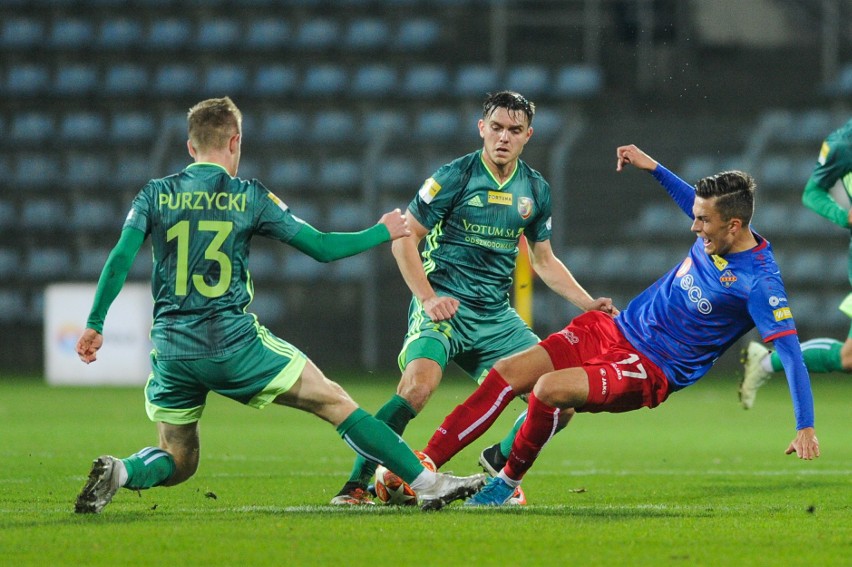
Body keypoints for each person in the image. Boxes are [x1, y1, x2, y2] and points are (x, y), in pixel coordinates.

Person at [73, 96, 485, 514]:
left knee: (179, 459)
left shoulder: (155, 194)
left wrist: (95, 322)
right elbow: (321, 248)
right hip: (232, 343)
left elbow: (120, 258)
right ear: (235, 142)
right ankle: (427, 483)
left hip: (173, 349)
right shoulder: (248, 195)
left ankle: (122, 471)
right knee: (335, 402)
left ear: (190, 147)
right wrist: (380, 232)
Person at [411, 144, 820, 507]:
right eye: (695, 217)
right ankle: (423, 470)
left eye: (703, 221)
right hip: (617, 327)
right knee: (508, 373)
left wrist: (805, 426)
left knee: (549, 390)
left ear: (734, 225)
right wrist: (653, 167)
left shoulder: (760, 284)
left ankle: (506, 483)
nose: (694, 227)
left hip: (651, 368)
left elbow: (791, 353)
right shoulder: (717, 228)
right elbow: (691, 202)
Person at [331, 91, 614, 505]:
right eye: (496, 127)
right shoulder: (455, 176)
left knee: (561, 401)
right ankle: (356, 484)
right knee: (416, 389)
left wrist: (587, 303)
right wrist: (428, 299)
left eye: (514, 130)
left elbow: (544, 259)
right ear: (482, 128)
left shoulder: (534, 188)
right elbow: (402, 241)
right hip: (443, 307)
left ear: (528, 135)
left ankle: (498, 461)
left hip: (496, 317)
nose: (504, 137)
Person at [740, 117, 852, 408]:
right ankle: (766, 362)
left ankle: (764, 362)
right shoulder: (843, 144)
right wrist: (844, 216)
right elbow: (813, 192)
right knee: (849, 358)